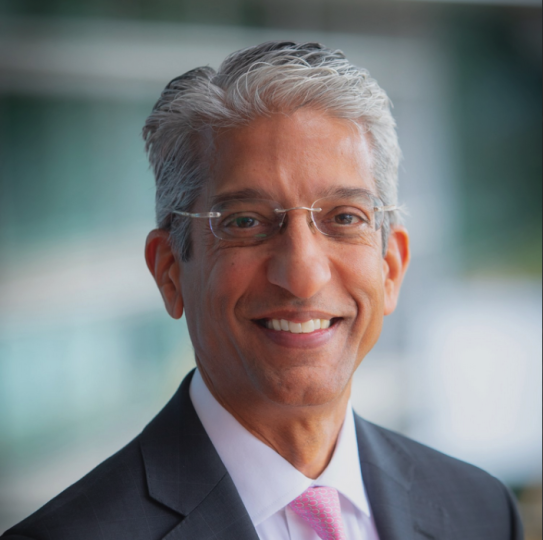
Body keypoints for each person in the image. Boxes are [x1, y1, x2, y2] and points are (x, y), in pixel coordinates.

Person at [2, 41, 523, 540]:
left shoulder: (480, 510)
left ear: (390, 268)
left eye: (345, 218)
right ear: (169, 272)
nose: (302, 276)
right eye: (245, 221)